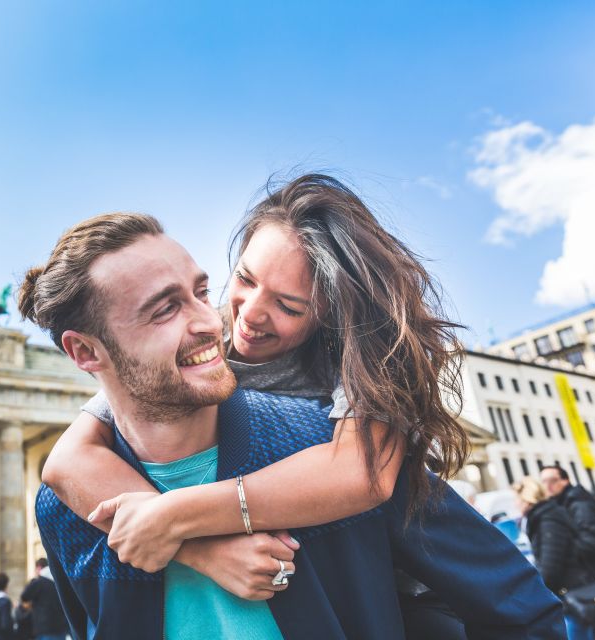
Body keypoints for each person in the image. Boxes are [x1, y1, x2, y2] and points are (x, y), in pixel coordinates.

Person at [38, 179, 564, 637]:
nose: (241, 319)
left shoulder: (355, 376)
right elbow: (66, 462)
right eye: (241, 280)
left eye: (289, 306)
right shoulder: (190, 347)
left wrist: (178, 514)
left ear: (332, 316)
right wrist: (200, 549)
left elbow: (362, 475)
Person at [541, 465, 595, 639]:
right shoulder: (561, 504)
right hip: (589, 584)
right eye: (544, 481)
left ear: (565, 480)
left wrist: (561, 549)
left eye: (552, 480)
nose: (547, 486)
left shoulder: (578, 504)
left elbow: (592, 542)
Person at [514, 477, 595, 640]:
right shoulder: (545, 515)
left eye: (516, 500)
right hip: (573, 593)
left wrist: (536, 593)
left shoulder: (547, 519)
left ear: (526, 499)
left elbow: (551, 565)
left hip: (572, 596)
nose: (515, 504)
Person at [20, 558, 68, 640]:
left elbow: (24, 596)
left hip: (44, 627)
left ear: (38, 568)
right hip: (61, 627)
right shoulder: (59, 580)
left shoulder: (39, 582)